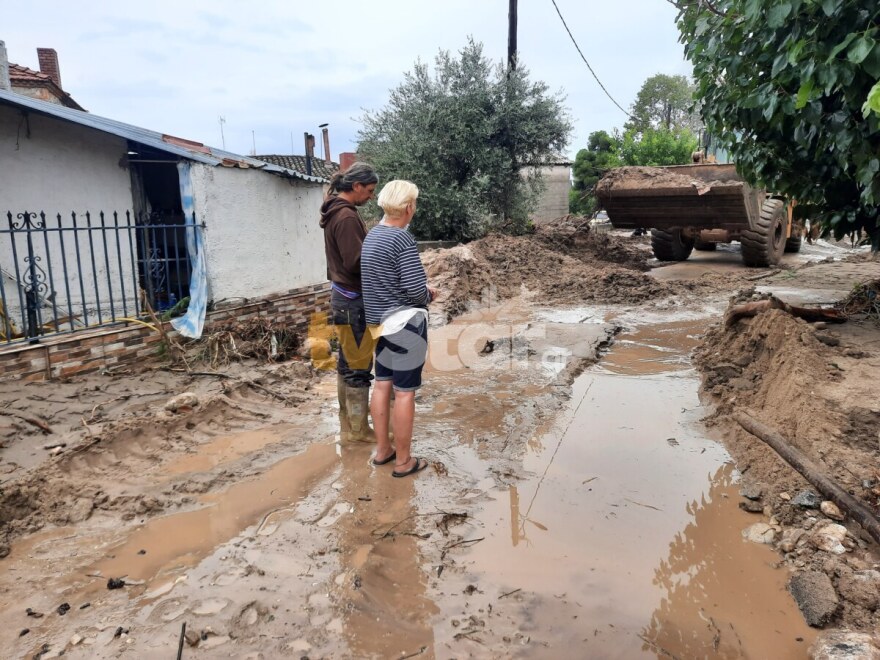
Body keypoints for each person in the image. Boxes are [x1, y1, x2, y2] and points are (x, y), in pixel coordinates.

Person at [361, 180, 434, 478]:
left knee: (382, 384)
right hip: (406, 324)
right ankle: (404, 462)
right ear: (408, 207)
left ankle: (383, 451)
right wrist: (430, 293)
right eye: (414, 204)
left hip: (380, 325)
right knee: (405, 394)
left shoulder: (373, 236)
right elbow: (416, 289)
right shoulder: (402, 239)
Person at [319, 162, 379, 440]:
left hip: (341, 296)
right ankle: (358, 430)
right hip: (354, 300)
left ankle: (348, 423)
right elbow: (355, 262)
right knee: (358, 364)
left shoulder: (336, 211)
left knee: (347, 361)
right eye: (368, 190)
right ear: (355, 186)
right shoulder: (346, 217)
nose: (370, 196)